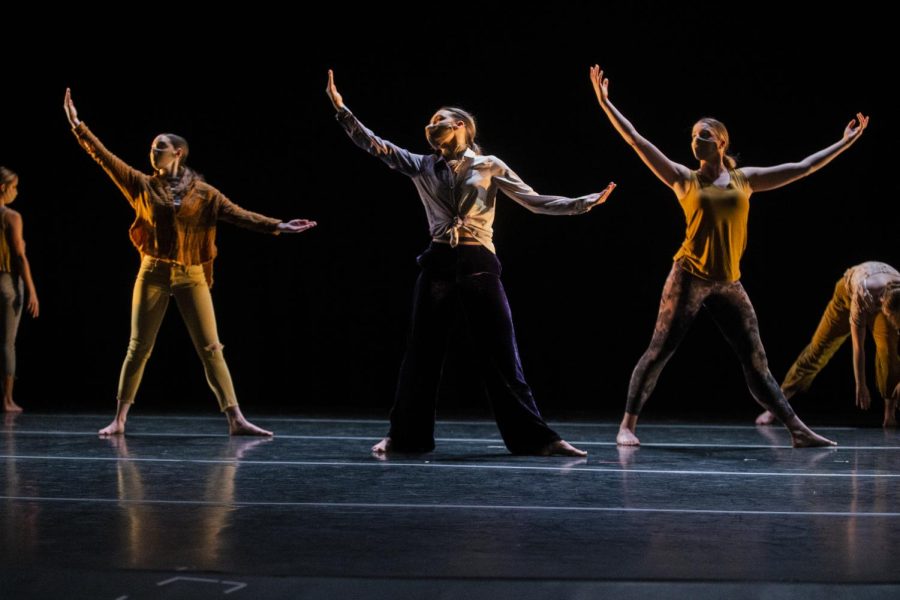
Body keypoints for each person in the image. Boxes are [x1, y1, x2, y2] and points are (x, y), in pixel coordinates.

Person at [326, 70, 615, 456]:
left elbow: (535, 200)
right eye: (429, 122)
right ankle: (404, 437)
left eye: (438, 119)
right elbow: (377, 146)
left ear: (460, 125)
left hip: (479, 260)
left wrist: (583, 203)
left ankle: (539, 439)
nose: (431, 126)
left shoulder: (489, 165)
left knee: (502, 355)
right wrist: (342, 110)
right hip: (439, 262)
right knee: (421, 355)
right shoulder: (422, 165)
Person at [589, 65, 868, 447]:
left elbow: (803, 168)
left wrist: (845, 142)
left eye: (703, 136)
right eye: (692, 136)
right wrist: (607, 104)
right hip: (688, 276)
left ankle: (797, 430)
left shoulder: (744, 180)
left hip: (728, 282)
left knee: (757, 363)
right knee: (659, 351)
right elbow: (637, 141)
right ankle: (627, 425)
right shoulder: (684, 179)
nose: (695, 141)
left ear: (721, 142)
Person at [64, 88, 316, 436]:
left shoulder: (204, 193)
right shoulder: (142, 185)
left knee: (211, 347)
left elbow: (238, 214)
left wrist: (278, 225)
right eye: (152, 148)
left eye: (159, 149)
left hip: (191, 275)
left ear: (177, 153)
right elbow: (105, 158)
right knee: (138, 347)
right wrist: (79, 126)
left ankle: (235, 419)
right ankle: (119, 420)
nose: (153, 153)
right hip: (152, 272)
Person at [757, 261, 900, 428]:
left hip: (887, 296)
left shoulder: (896, 300)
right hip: (847, 295)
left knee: (889, 352)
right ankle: (776, 407)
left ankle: (889, 415)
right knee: (819, 348)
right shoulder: (863, 295)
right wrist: (861, 384)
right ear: (882, 305)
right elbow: (858, 347)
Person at [0, 167, 39, 413]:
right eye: (14, 186)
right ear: (3, 188)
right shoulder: (11, 217)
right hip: (7, 281)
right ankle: (7, 400)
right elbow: (19, 256)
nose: (16, 191)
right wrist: (33, 291)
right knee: (7, 343)